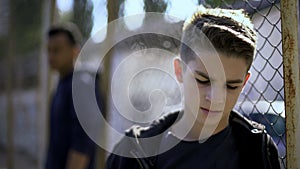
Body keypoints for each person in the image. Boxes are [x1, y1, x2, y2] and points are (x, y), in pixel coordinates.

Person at [105, 6, 281, 169]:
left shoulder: (260, 150)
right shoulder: (131, 153)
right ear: (179, 70)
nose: (216, 98)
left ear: (244, 82)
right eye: (203, 81)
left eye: (231, 86)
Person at [45, 23, 102, 169]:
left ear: (75, 51)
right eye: (49, 50)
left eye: (56, 50)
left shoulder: (81, 85)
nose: (51, 56)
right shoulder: (64, 84)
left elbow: (83, 143)